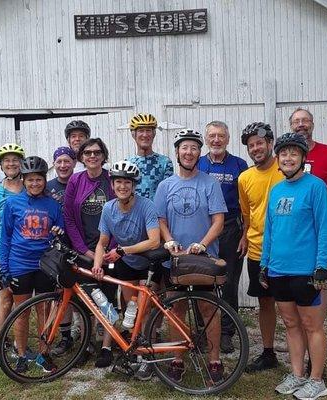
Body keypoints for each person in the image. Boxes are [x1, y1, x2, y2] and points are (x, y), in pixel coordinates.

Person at [260, 132, 327, 399]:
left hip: (307, 270)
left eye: (294, 153)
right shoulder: (276, 190)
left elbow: (324, 228)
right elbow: (269, 229)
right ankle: (297, 374)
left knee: (312, 326)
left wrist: (322, 265)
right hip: (279, 270)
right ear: (278, 159)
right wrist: (264, 264)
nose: (288, 157)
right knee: (290, 324)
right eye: (283, 153)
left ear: (303, 157)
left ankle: (316, 380)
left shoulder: (316, 187)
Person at [154, 129, 227, 383]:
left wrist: (203, 244)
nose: (189, 152)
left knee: (209, 310)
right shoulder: (165, 186)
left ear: (199, 152)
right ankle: (177, 359)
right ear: (177, 152)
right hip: (174, 259)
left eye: (194, 148)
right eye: (184, 148)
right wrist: (169, 239)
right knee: (176, 309)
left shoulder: (210, 183)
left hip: (203, 259)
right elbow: (160, 219)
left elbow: (218, 220)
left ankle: (215, 360)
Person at [92, 160, 161, 380]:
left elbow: (154, 241)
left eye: (127, 182)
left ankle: (149, 355)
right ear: (112, 184)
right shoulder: (108, 208)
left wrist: (123, 250)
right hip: (128, 265)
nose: (123, 186)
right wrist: (97, 262)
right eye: (118, 182)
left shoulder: (146, 205)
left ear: (134, 185)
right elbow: (102, 242)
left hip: (148, 263)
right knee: (131, 311)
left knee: (145, 310)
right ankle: (137, 350)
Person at [0, 156, 64, 374]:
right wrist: (4, 269)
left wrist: (58, 233)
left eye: (38, 179)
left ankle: (44, 354)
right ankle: (21, 354)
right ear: (23, 181)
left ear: (44, 180)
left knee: (44, 310)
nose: (34, 183)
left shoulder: (53, 205)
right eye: (30, 180)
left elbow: (60, 232)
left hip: (45, 265)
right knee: (21, 312)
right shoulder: (12, 203)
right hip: (20, 264)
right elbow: (5, 237)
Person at [63, 138, 116, 367]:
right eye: (87, 153)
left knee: (108, 299)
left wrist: (108, 250)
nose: (92, 156)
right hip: (83, 250)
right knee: (85, 300)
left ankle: (106, 346)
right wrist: (83, 249)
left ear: (103, 155)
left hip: (109, 250)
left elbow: (119, 213)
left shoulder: (112, 179)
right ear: (81, 157)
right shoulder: (75, 180)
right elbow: (68, 217)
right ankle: (85, 344)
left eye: (96, 152)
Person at [198, 120, 248, 353]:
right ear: (206, 139)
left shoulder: (240, 165)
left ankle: (226, 332)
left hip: (230, 229)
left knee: (228, 282)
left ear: (228, 139)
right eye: (212, 136)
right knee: (200, 281)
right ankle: (202, 330)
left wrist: (245, 234)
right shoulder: (197, 163)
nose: (216, 140)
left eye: (221, 136)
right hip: (203, 229)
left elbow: (247, 205)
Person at [238, 122, 283, 372]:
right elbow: (248, 213)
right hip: (257, 250)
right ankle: (268, 353)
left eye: (259, 143)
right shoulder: (245, 178)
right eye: (251, 145)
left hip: (286, 251)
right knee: (265, 303)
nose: (256, 148)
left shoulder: (286, 167)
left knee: (294, 305)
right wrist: (245, 235)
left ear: (270, 143)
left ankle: (307, 354)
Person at [289, 108, 327, 278]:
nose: (301, 125)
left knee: (321, 280)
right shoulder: (284, 157)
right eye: (296, 121)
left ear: (312, 124)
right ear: (291, 126)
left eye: (305, 120)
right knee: (295, 280)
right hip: (294, 232)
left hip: (324, 231)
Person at [0, 143, 25, 365]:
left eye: (15, 160)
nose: (11, 164)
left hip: (25, 253)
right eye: (7, 160)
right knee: (6, 300)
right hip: (4, 253)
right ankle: (1, 347)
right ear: (1, 165)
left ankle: (21, 345)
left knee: (24, 302)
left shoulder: (29, 188)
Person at [46, 146, 76, 357]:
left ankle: (86, 335)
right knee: (60, 293)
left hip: (79, 243)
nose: (64, 165)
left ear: (74, 163)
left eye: (67, 161)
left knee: (84, 293)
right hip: (56, 245)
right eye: (59, 162)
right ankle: (66, 337)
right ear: (54, 164)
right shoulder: (47, 187)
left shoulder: (80, 182)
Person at [127, 113, 173, 200]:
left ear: (154, 134)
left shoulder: (165, 163)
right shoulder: (127, 164)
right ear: (134, 135)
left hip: (157, 212)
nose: (145, 135)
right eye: (141, 131)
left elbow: (168, 195)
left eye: (148, 130)